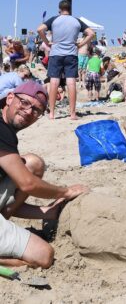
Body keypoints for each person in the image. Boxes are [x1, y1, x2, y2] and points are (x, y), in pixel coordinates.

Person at [0, 81, 88, 268]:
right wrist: (65, 192)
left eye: (36, 110)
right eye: (24, 102)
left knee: (33, 163)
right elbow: (28, 184)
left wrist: (48, 212)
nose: (29, 111)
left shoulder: (5, 127)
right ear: (9, 98)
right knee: (44, 255)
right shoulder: (1, 130)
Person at [37, 0, 95, 120]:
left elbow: (39, 29)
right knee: (71, 82)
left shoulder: (54, 19)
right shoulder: (76, 21)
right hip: (71, 54)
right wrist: (80, 44)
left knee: (54, 82)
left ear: (59, 9)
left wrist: (47, 42)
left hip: (56, 54)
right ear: (70, 9)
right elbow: (91, 33)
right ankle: (72, 114)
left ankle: (52, 113)